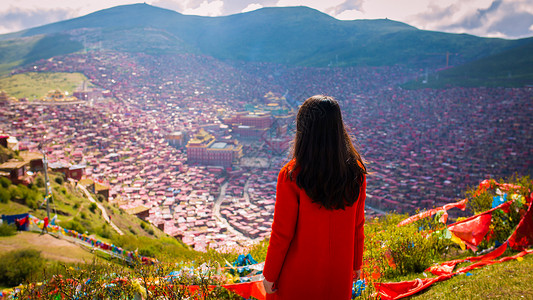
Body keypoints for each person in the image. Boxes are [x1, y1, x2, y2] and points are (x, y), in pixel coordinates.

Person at [262, 95, 367, 299]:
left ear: (304, 130)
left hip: (297, 276)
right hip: (339, 273)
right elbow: (358, 225)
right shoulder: (356, 172)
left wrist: (270, 274)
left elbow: (282, 233)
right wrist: (356, 264)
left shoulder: (292, 175)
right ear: (338, 128)